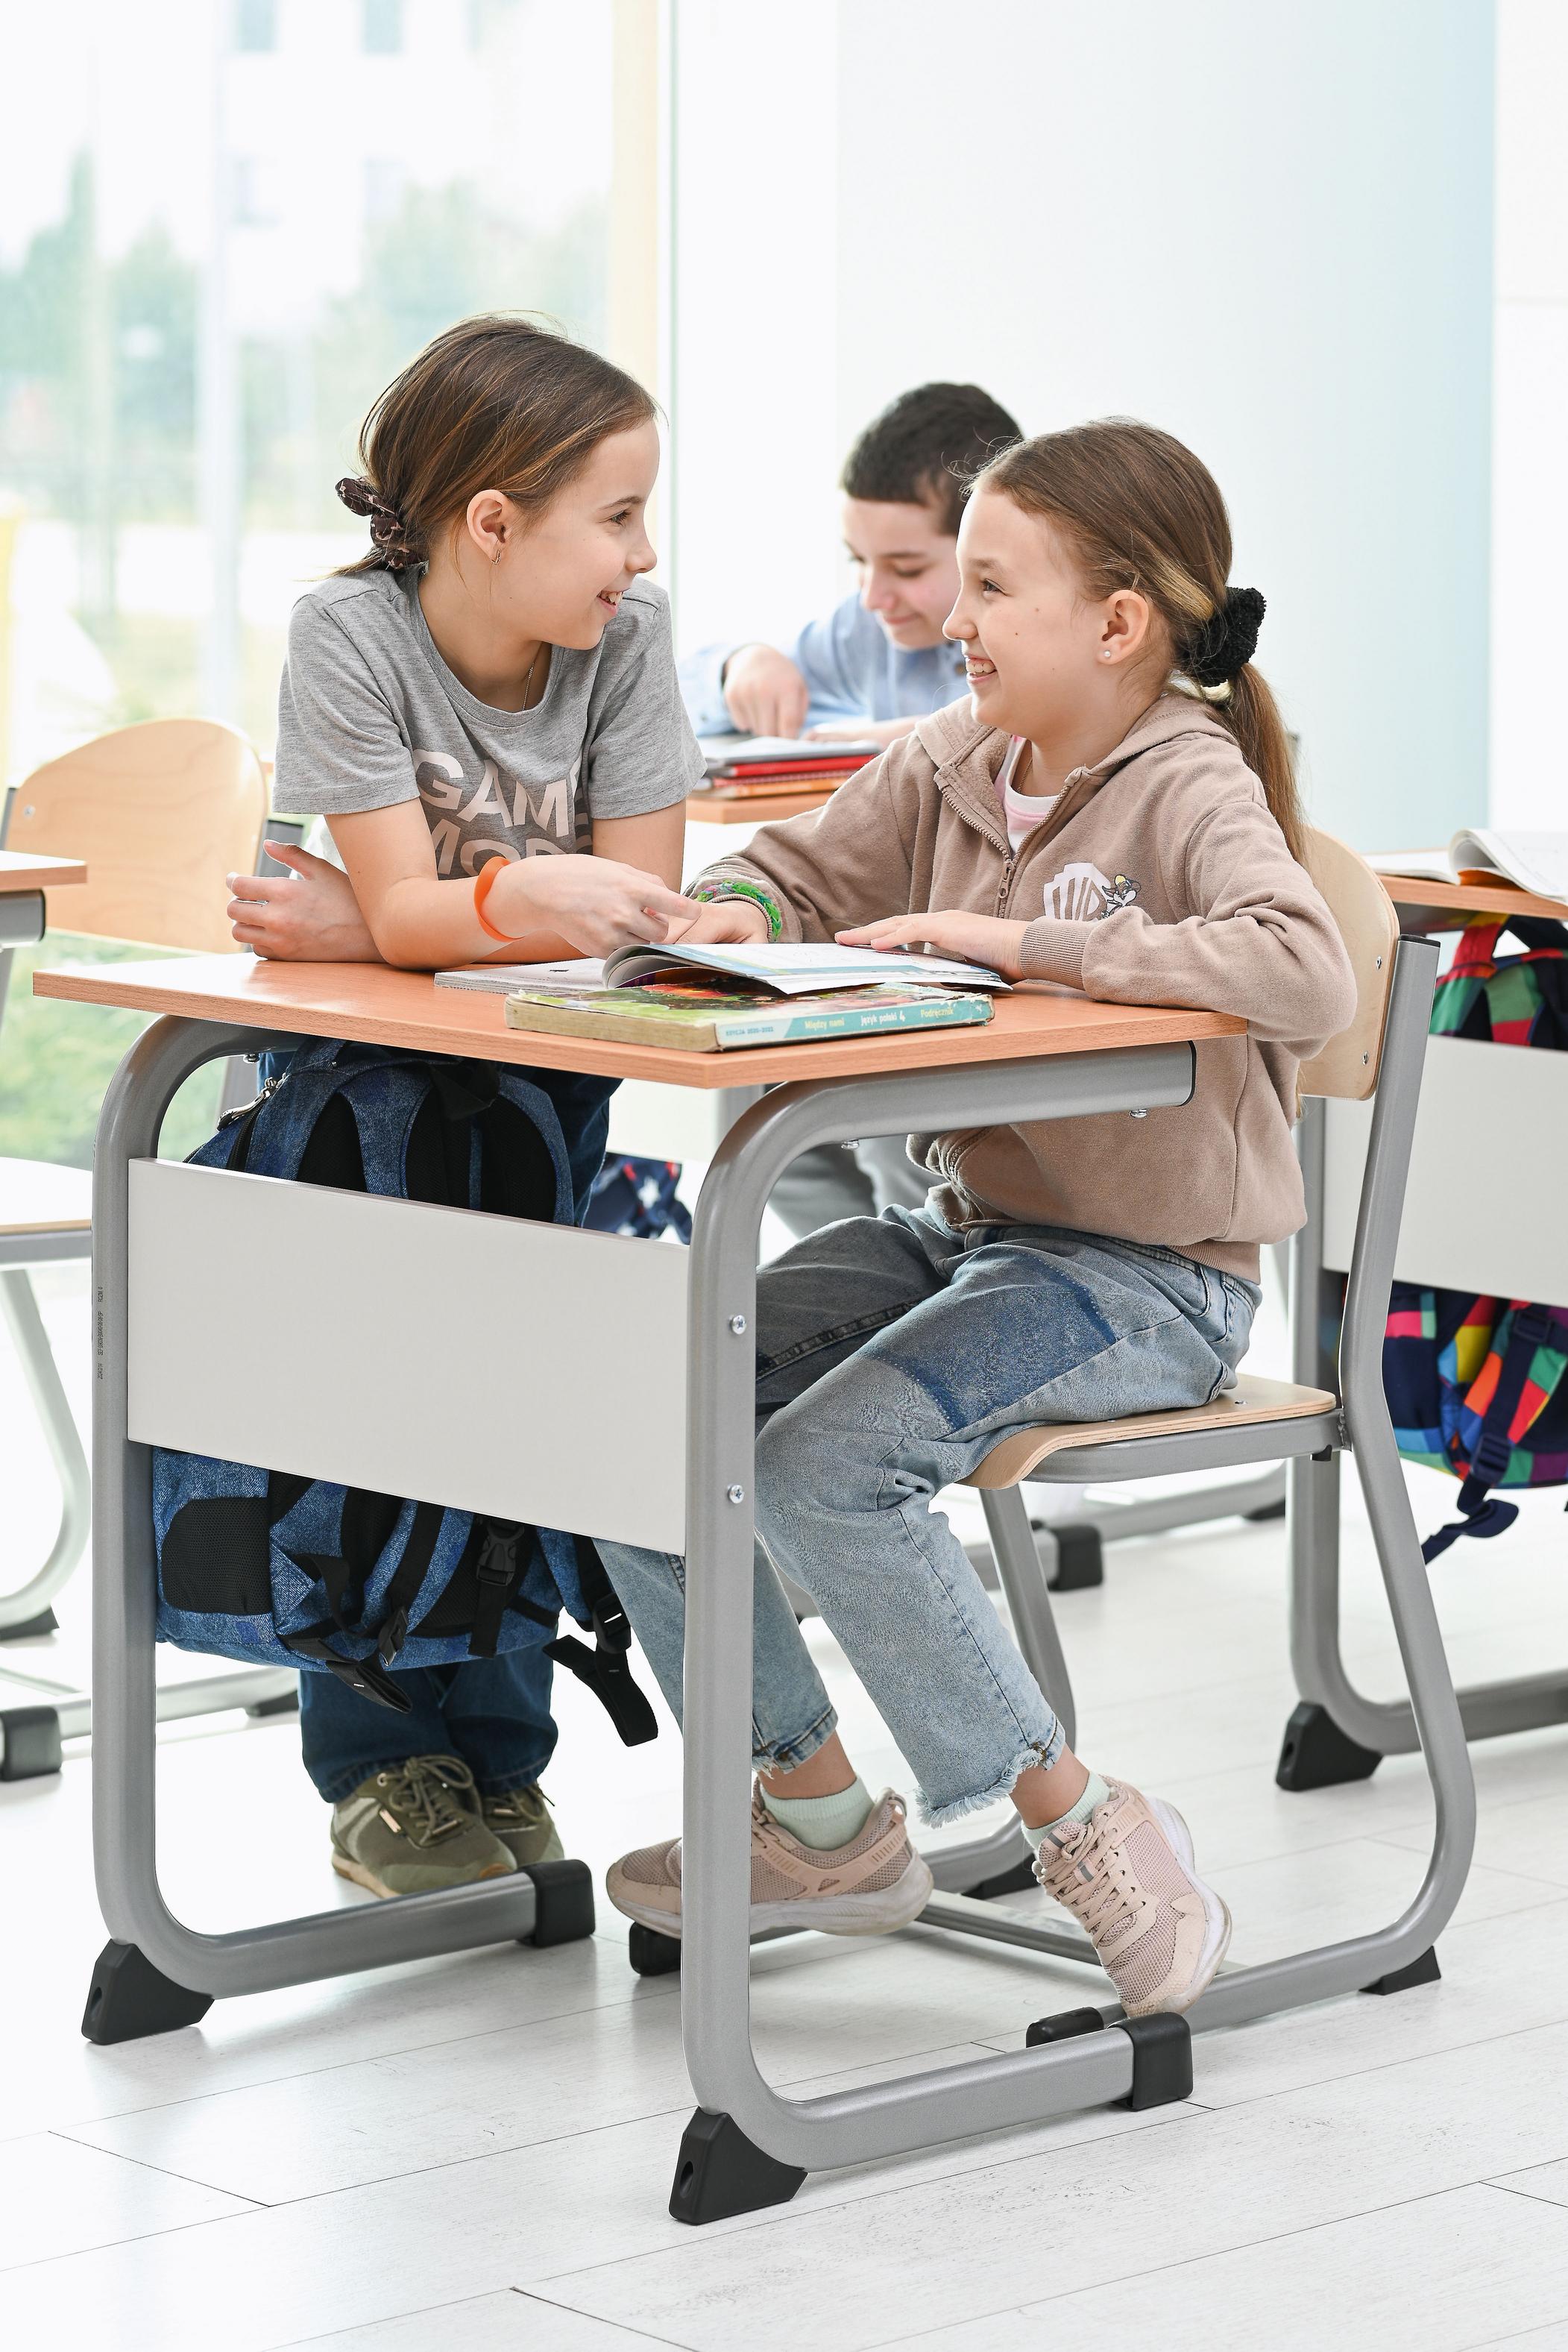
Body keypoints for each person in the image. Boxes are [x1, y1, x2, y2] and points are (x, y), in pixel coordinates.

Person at [595, 419, 1358, 2017]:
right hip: (968, 1240)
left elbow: (1301, 968)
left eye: (991, 586)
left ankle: (1087, 1825)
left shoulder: (1186, 780)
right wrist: (718, 917)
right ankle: (810, 1814)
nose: (956, 617)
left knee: (826, 1461)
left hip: (1149, 1280)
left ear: (1116, 622)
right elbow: (791, 874)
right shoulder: (950, 757)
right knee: (627, 1410)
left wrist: (1028, 948)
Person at [227, 313, 702, 1900]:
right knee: (361, 1419)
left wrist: (396, 914)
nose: (640, 553)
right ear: (490, 523)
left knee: (522, 1415)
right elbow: (449, 919)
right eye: (617, 516)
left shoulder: (623, 645)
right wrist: (458, 911)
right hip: (350, 1100)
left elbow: (640, 904)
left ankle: (497, 1759)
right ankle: (382, 1771)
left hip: (539, 1087)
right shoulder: (349, 634)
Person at [682, 382, 1024, 1238]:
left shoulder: (1035, 659)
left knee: (885, 1129)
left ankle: (907, 1283)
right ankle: (865, 1280)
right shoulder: (866, 632)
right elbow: (684, 697)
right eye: (859, 564)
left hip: (966, 998)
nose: (876, 594)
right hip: (862, 960)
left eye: (907, 569)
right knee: (754, 1114)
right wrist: (743, 664)